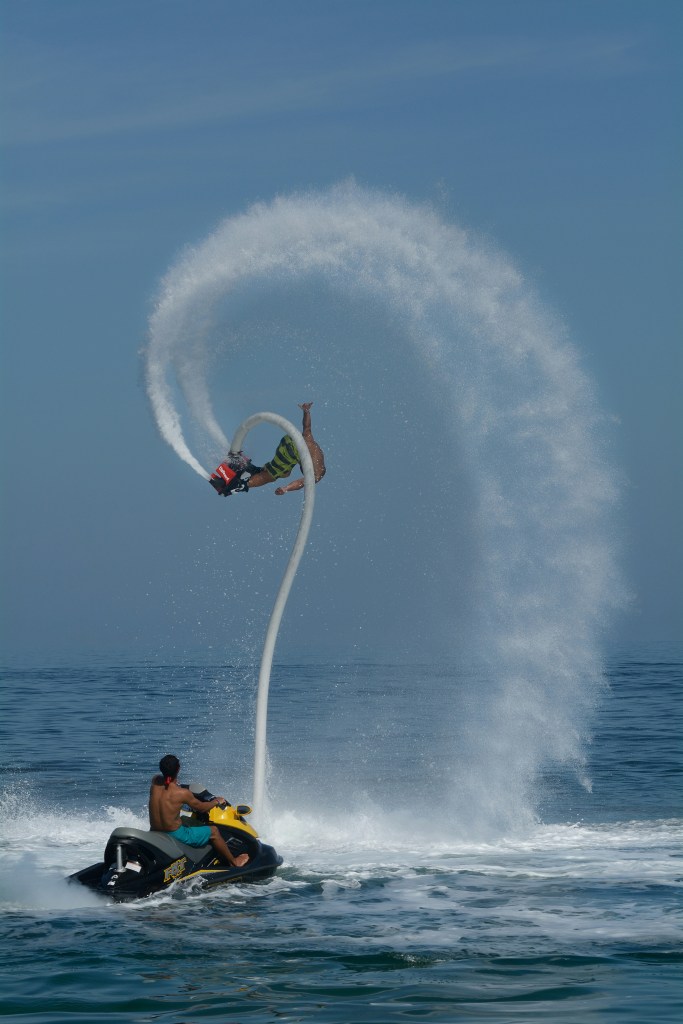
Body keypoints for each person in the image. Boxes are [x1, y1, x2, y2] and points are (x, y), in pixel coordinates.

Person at [148, 754, 249, 868]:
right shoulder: (182, 793)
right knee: (214, 831)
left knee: (185, 819)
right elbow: (202, 808)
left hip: (155, 831)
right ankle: (234, 862)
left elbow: (164, 784)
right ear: (178, 769)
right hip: (175, 834)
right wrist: (216, 801)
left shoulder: (155, 783)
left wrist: (173, 781)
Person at [246, 402, 326, 495]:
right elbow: (301, 483)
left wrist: (306, 411)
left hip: (288, 439)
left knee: (286, 473)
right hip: (293, 450)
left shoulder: (312, 444)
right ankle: (243, 485)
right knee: (273, 475)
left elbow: (307, 427)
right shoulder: (318, 474)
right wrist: (285, 489)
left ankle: (253, 469)